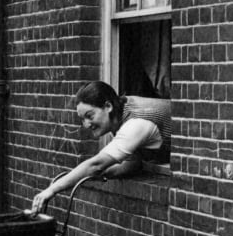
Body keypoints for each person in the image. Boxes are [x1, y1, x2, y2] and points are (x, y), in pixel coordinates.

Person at [31, 81, 171, 213]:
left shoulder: (136, 123)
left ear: (108, 106)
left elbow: (96, 164)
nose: (86, 124)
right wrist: (98, 174)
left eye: (89, 116)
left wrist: (51, 190)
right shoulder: (121, 113)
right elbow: (132, 163)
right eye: (82, 119)